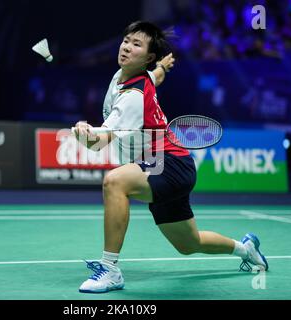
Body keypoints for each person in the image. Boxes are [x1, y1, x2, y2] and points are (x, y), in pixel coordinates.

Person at [73, 21, 268, 294]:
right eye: (127, 40)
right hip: (160, 166)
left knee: (114, 182)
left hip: (167, 162)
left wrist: (83, 133)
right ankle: (246, 249)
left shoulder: (133, 96)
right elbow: (157, 76)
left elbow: (98, 143)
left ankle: (110, 270)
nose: (127, 47)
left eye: (136, 44)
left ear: (147, 57)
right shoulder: (127, 76)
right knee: (190, 244)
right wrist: (162, 67)